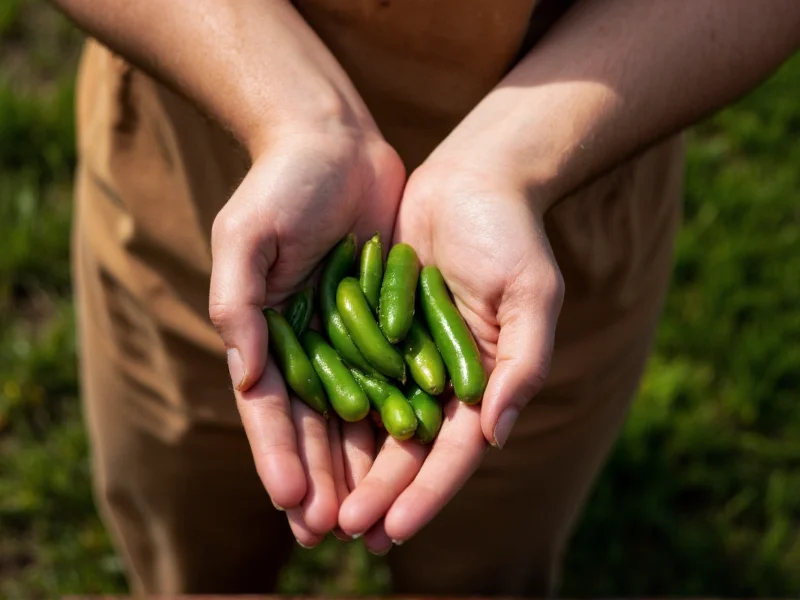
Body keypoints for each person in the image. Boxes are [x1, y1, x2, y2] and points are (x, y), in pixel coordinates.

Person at [53, 0, 799, 595]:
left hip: (569, 181)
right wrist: (294, 116)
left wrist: (512, 161)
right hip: (195, 167)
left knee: (482, 569)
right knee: (194, 552)